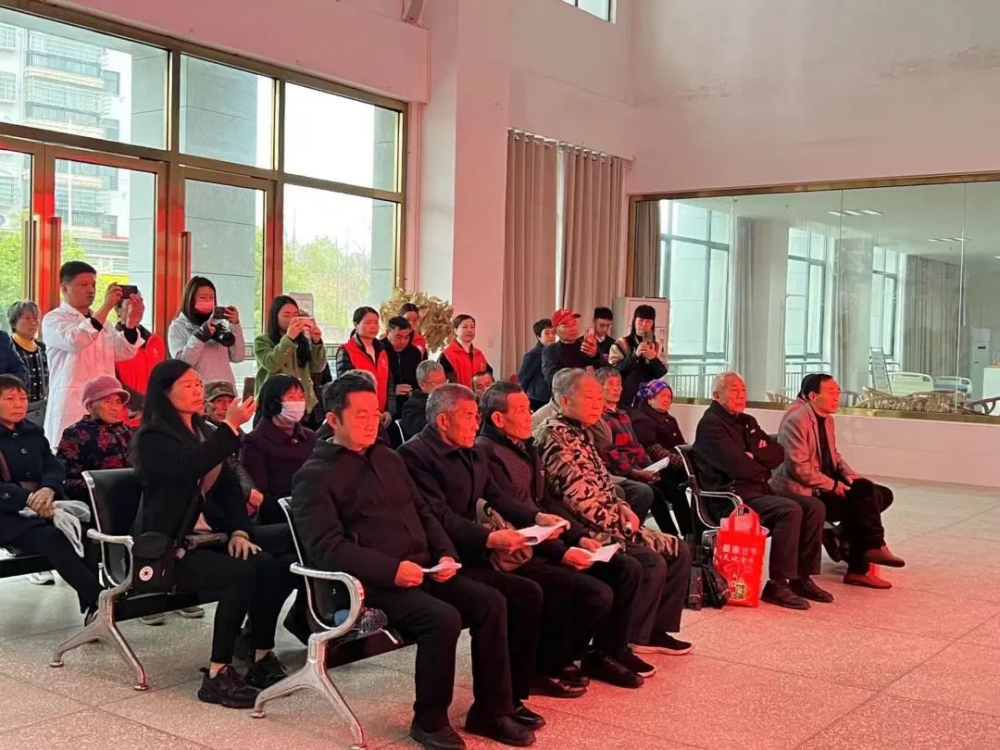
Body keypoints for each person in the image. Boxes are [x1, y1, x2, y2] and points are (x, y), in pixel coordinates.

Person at [292, 375, 536, 749]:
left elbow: (424, 512)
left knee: (492, 601)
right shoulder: (314, 476)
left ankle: (492, 710)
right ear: (333, 419)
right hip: (371, 584)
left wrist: (445, 554)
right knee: (442, 618)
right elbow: (328, 549)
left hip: (423, 569)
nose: (371, 422)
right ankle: (430, 721)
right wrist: (392, 571)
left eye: (375, 413)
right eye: (360, 415)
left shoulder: (387, 457)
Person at [133, 360, 291, 707]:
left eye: (198, 383)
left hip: (214, 538)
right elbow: (190, 466)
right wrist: (230, 427)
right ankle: (218, 673)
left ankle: (261, 654)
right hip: (173, 549)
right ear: (165, 392)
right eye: (188, 385)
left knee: (268, 565)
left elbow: (230, 487)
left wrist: (239, 531)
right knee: (240, 574)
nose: (197, 390)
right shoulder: (153, 438)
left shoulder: (205, 430)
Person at [400, 385, 568, 710]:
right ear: (443, 421)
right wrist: (489, 539)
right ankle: (491, 708)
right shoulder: (414, 456)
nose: (477, 423)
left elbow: (497, 495)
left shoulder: (472, 450)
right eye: (468, 416)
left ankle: (514, 696)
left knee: (529, 593)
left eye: (477, 415)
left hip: (470, 549)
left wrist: (535, 517)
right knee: (496, 601)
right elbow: (438, 515)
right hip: (438, 557)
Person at [478, 382, 654, 683]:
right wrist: (563, 551)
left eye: (528, 408)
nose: (530, 415)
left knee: (626, 568)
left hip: (550, 538)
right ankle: (553, 660)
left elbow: (546, 501)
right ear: (497, 418)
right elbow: (514, 515)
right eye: (521, 411)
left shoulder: (525, 446)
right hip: (523, 549)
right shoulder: (487, 452)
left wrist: (579, 536)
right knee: (595, 592)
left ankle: (606, 652)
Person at [533, 370, 692, 657]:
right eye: (589, 398)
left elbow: (603, 482)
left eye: (599, 398)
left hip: (609, 520)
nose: (597, 405)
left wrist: (622, 506)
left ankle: (654, 631)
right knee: (653, 559)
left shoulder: (582, 431)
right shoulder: (554, 435)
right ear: (565, 400)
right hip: (586, 531)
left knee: (679, 549)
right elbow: (577, 500)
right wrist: (624, 528)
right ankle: (631, 637)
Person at [693, 371, 830, 610]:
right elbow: (737, 467)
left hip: (758, 490)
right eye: (734, 390)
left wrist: (753, 457)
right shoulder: (711, 425)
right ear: (716, 395)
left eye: (743, 390)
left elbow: (777, 454)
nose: (741, 395)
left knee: (813, 506)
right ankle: (777, 584)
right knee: (789, 510)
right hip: (731, 498)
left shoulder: (747, 421)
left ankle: (801, 577)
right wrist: (758, 462)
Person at [772, 374, 904, 589]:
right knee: (861, 503)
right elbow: (799, 469)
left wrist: (851, 476)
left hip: (823, 481)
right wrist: (833, 486)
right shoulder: (797, 420)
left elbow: (834, 456)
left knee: (875, 492)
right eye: (831, 392)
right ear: (813, 396)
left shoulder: (826, 419)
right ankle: (864, 558)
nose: (837, 397)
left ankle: (845, 536)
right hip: (805, 490)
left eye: (838, 392)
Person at [0, 375, 102, 619]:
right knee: (52, 537)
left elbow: (53, 465)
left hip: (45, 504)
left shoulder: (32, 431)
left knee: (86, 533)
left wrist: (48, 488)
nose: (18, 404)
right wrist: (27, 498)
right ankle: (100, 600)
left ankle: (92, 609)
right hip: (8, 514)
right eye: (10, 399)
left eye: (22, 398)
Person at [42, 262, 142, 448]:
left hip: (104, 403)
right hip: (72, 402)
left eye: (93, 285)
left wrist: (131, 324)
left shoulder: (104, 322)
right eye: (84, 285)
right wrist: (106, 307)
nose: (91, 290)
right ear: (64, 288)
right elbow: (76, 340)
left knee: (106, 453)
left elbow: (123, 351)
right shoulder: (54, 319)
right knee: (69, 453)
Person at [593, 368, 690, 536]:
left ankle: (689, 536)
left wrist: (650, 467)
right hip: (622, 472)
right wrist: (637, 472)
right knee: (654, 494)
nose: (617, 389)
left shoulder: (624, 415)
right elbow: (610, 454)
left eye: (619, 384)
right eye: (611, 384)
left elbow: (637, 446)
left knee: (676, 489)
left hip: (639, 469)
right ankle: (670, 537)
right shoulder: (599, 418)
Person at [240, 374, 316, 525]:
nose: (298, 403)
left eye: (301, 397)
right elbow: (260, 496)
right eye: (291, 398)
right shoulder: (254, 442)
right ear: (273, 403)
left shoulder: (310, 437)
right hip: (282, 517)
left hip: (316, 509)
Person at [56, 376, 134, 503]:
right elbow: (66, 479)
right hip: (97, 502)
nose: (114, 408)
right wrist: (99, 487)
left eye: (118, 402)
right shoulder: (75, 433)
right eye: (108, 401)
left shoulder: (128, 431)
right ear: (90, 406)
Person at [254, 296, 326, 417]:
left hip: (303, 404)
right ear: (275, 317)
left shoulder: (303, 340)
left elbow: (318, 367)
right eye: (286, 315)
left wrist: (316, 342)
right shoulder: (262, 340)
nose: (293, 319)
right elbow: (272, 364)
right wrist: (289, 338)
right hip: (274, 405)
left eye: (296, 315)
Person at [167, 276, 246, 387]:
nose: (208, 301)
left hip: (225, 389)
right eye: (203, 297)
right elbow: (182, 364)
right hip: (198, 389)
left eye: (211, 298)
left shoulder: (219, 324)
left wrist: (235, 325)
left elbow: (238, 357)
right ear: (190, 300)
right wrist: (199, 337)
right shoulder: (178, 327)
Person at [114, 296, 166, 424]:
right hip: (122, 415)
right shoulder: (112, 341)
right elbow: (112, 380)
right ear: (118, 309)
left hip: (152, 416)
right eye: (130, 303)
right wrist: (139, 403)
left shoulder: (156, 341)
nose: (136, 307)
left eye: (140, 301)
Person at [335, 306, 392, 417]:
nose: (373, 326)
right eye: (368, 322)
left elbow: (389, 383)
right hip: (359, 413)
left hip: (382, 414)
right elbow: (345, 387)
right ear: (356, 325)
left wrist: (389, 411)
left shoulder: (382, 351)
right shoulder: (346, 350)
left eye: (376, 322)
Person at [607, 304, 667, 409]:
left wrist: (653, 359)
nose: (644, 325)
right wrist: (635, 356)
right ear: (634, 321)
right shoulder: (621, 343)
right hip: (624, 399)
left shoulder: (657, 346)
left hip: (648, 401)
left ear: (653, 324)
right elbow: (614, 370)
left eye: (648, 321)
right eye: (641, 320)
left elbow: (660, 373)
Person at [7, 301, 48, 426]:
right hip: (13, 409)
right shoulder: (7, 348)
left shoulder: (42, 348)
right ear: (14, 322)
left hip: (42, 409)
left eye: (36, 318)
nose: (33, 322)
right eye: (27, 318)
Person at [540, 309, 601, 388]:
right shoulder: (550, 351)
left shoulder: (586, 345)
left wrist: (595, 356)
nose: (572, 328)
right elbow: (553, 378)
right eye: (567, 325)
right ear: (555, 330)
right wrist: (583, 372)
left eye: (574, 323)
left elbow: (604, 371)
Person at [398, 360, 447, 442]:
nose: (442, 386)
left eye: (444, 381)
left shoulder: (449, 399)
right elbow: (416, 432)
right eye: (437, 382)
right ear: (421, 384)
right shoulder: (412, 406)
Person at [438, 314, 492, 388]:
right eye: (464, 327)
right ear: (455, 330)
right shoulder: (447, 355)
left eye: (472, 327)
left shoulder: (479, 355)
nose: (469, 330)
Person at [384, 316, 422, 417]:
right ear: (387, 333)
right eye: (398, 337)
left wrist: (413, 392)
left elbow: (419, 380)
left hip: (409, 407)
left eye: (406, 337)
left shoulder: (414, 353)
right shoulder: (379, 350)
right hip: (385, 407)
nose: (403, 342)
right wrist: (392, 391)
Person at [517, 318, 556, 411]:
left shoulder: (555, 352)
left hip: (552, 397)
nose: (551, 336)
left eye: (553, 332)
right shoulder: (533, 354)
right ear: (538, 336)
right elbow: (523, 378)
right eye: (547, 333)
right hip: (538, 399)